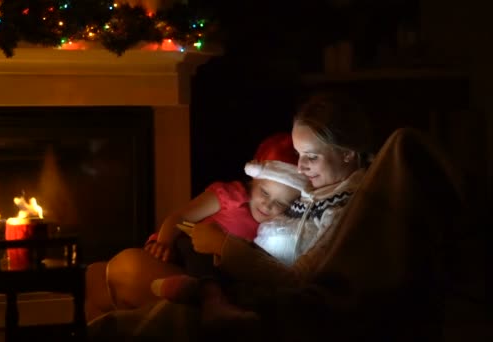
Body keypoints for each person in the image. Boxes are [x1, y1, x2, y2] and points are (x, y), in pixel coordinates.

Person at [87, 93, 464, 342]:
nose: (299, 167)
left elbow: (301, 280)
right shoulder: (311, 193)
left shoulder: (347, 209)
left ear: (349, 155)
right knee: (101, 276)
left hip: (265, 298)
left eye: (310, 156)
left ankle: (206, 299)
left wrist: (224, 247)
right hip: (240, 280)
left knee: (124, 273)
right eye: (298, 154)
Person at [85, 132, 309, 321]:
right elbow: (181, 216)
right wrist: (162, 242)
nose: (268, 205)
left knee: (107, 280)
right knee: (94, 275)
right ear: (254, 181)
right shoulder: (230, 195)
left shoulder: (277, 230)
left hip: (213, 275)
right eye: (265, 193)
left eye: (280, 203)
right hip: (182, 252)